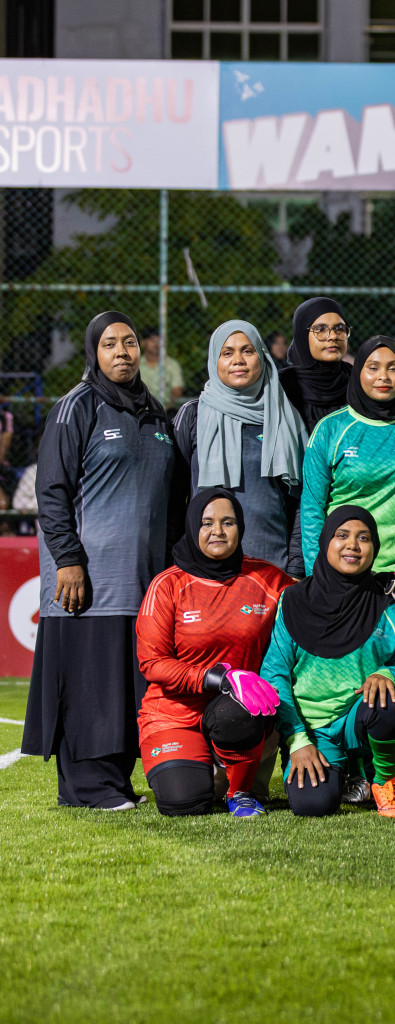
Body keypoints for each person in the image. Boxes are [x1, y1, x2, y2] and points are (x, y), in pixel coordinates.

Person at [23, 311, 175, 810]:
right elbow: (52, 491)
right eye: (110, 344)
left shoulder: (154, 412)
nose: (123, 353)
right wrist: (68, 559)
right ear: (95, 351)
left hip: (144, 582)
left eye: (130, 342)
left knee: (126, 690)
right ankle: (87, 788)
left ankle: (116, 781)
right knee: (90, 687)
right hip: (87, 581)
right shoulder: (76, 407)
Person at [137, 489, 293, 817]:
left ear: (241, 528)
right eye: (207, 523)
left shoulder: (268, 579)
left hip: (239, 716)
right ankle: (208, 767)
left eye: (228, 522)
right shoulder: (167, 585)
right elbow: (152, 664)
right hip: (175, 716)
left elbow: (318, 600)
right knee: (185, 801)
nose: (217, 531)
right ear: (193, 527)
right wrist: (217, 677)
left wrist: (376, 585)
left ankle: (240, 790)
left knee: (234, 711)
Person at [263, 506, 395, 818]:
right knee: (313, 806)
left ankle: (382, 777)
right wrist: (297, 741)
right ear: (325, 542)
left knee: (390, 701)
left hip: (361, 719)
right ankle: (343, 769)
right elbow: (274, 675)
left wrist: (389, 674)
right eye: (342, 536)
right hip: (313, 729)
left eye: (364, 538)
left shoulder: (390, 601)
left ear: (374, 548)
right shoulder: (293, 600)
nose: (353, 545)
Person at [173, 320, 306, 571]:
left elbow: (302, 502)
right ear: (215, 359)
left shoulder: (285, 418)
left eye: (248, 351)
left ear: (263, 357)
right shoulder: (193, 415)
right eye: (227, 352)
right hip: (204, 571)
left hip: (270, 568)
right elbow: (173, 497)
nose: (238, 360)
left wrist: (295, 568)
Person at [300, 336, 395, 578]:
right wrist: (317, 576)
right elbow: (311, 511)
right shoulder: (331, 429)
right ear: (358, 371)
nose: (384, 376)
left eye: (394, 368)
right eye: (373, 368)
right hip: (341, 569)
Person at [279, 297, 352, 433]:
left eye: (339, 328)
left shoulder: (358, 381)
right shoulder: (283, 386)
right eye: (321, 329)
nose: (333, 336)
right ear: (303, 335)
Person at [137, 325, 184, 403]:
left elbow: (177, 391)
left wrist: (166, 407)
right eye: (152, 340)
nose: (156, 344)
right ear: (142, 343)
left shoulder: (172, 364)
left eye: (159, 340)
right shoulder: (135, 365)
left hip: (166, 409)